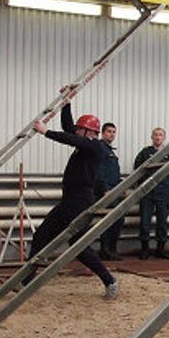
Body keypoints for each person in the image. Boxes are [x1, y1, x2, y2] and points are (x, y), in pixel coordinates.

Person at [29, 103, 118, 298]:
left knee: (79, 247)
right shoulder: (84, 142)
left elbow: (68, 137)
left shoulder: (95, 146)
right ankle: (27, 279)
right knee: (41, 236)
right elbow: (68, 128)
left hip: (80, 201)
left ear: (88, 132)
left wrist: (45, 132)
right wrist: (66, 104)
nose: (76, 131)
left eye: (80, 129)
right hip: (69, 200)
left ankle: (109, 280)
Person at [134, 127, 169, 260]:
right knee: (145, 221)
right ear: (152, 137)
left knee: (162, 221)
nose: (158, 137)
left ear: (164, 138)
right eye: (156, 135)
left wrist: (167, 185)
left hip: (163, 193)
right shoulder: (145, 152)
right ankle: (145, 249)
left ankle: (160, 249)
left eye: (160, 135)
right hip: (147, 192)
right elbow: (137, 170)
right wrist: (143, 185)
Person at [95, 122, 124, 261]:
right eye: (109, 131)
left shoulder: (110, 150)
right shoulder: (101, 148)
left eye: (113, 132)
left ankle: (110, 249)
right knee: (110, 220)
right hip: (106, 191)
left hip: (114, 190)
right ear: (102, 133)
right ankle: (106, 250)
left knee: (116, 219)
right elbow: (99, 171)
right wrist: (105, 189)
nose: (111, 134)